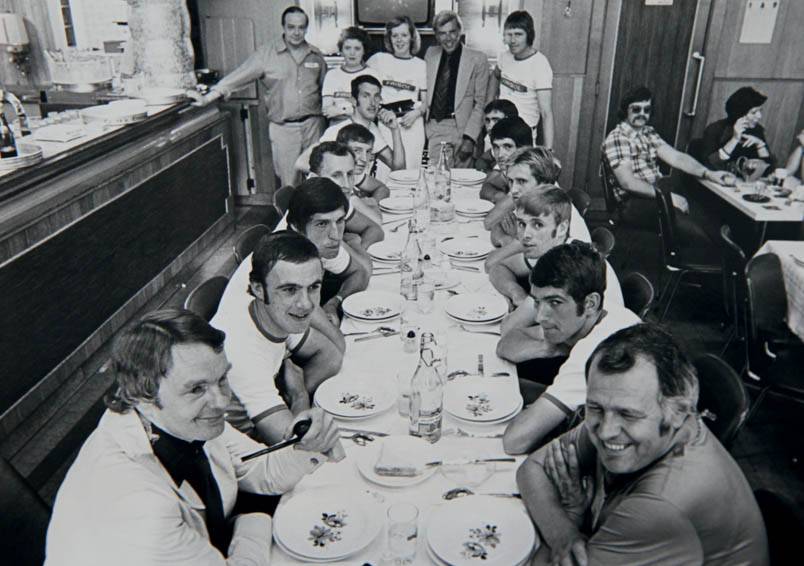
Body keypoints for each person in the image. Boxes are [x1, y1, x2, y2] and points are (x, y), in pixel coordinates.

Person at [45, 308, 343, 566]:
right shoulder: (141, 506)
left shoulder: (180, 420)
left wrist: (307, 444)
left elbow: (257, 470)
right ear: (143, 395)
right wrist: (255, 518)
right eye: (196, 389)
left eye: (222, 379)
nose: (222, 401)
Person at [517, 323, 769, 566]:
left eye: (629, 415)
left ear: (678, 411)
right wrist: (564, 533)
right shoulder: (625, 407)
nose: (605, 432)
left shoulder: (660, 505)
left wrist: (571, 519)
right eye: (595, 408)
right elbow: (532, 468)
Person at [499, 242, 641, 455]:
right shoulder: (599, 312)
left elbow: (515, 441)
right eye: (537, 302)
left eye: (554, 302)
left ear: (591, 303)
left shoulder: (597, 351)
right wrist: (553, 347)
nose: (540, 317)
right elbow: (506, 345)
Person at [210, 232, 344, 445]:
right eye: (290, 290)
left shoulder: (279, 314)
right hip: (245, 453)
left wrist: (290, 404)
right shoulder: (241, 349)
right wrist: (299, 395)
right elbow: (294, 445)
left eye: (313, 288)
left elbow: (331, 356)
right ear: (258, 289)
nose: (306, 304)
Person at [188, 7, 326, 187]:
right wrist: (209, 97)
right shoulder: (266, 55)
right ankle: (290, 215)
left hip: (314, 126)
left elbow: (326, 89)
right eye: (291, 27)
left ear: (306, 28)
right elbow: (237, 77)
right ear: (283, 27)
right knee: (289, 183)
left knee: (318, 179)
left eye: (301, 27)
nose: (296, 32)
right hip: (284, 129)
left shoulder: (316, 55)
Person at [602, 85, 736, 242]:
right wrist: (667, 198)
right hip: (631, 202)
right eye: (636, 109)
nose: (642, 114)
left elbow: (676, 158)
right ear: (625, 111)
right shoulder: (618, 138)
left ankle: (717, 255)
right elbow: (628, 183)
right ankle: (693, 259)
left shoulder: (647, 132)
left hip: (656, 191)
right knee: (695, 231)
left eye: (647, 110)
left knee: (706, 216)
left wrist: (709, 173)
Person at [486, 188, 623, 310]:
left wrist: (525, 307)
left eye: (538, 225)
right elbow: (498, 268)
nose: (526, 235)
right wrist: (516, 293)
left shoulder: (571, 262)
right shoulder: (546, 247)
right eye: (522, 224)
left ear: (562, 228)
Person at [286, 177, 372, 323]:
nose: (336, 235)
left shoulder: (317, 244)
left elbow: (360, 272)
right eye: (321, 224)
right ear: (297, 228)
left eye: (339, 221)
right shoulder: (285, 264)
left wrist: (334, 302)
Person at [295, 75, 405, 180]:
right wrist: (345, 178)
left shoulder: (372, 129)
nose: (372, 103)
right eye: (365, 96)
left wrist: (395, 129)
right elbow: (301, 163)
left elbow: (398, 168)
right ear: (353, 100)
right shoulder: (337, 130)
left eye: (376, 96)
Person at [280, 142, 385, 246]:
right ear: (314, 178)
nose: (347, 185)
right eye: (336, 175)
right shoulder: (308, 208)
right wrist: (354, 247)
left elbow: (375, 229)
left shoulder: (333, 200)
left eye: (349, 174)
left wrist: (359, 248)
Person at [485, 146, 591, 247]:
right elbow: (498, 227)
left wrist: (515, 241)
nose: (513, 190)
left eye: (521, 181)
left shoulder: (554, 216)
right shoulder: (532, 202)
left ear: (543, 183)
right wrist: (510, 241)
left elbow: (536, 263)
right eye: (511, 181)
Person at [424, 10, 489, 167]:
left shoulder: (478, 59)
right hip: (435, 127)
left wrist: (470, 138)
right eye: (443, 33)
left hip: (463, 128)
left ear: (460, 31)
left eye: (452, 32)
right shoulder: (430, 55)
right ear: (437, 36)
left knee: (463, 183)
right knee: (438, 180)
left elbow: (481, 103)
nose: (449, 38)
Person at [367, 15, 427, 168]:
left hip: (412, 125)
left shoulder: (421, 65)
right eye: (395, 35)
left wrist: (416, 113)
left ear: (412, 38)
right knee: (385, 171)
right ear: (389, 39)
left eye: (404, 35)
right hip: (386, 125)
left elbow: (426, 102)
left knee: (410, 171)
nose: (399, 40)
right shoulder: (378, 60)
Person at [489, 10, 555, 149]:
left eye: (518, 35)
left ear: (529, 35)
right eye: (509, 35)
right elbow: (495, 76)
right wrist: (490, 105)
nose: (513, 40)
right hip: (497, 129)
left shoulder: (540, 64)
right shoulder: (504, 56)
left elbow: (546, 112)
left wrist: (548, 151)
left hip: (521, 135)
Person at [700, 86, 774, 175]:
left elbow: (769, 172)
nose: (759, 116)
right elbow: (709, 168)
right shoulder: (715, 130)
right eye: (754, 112)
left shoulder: (757, 130)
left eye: (760, 111)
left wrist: (760, 145)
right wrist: (734, 139)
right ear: (740, 114)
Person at [322, 26, 384, 124]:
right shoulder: (332, 75)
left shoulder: (372, 75)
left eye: (357, 48)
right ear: (341, 51)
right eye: (347, 48)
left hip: (364, 129)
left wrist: (340, 111)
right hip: (336, 129)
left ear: (364, 50)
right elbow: (327, 111)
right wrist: (356, 110)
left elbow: (372, 109)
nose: (352, 53)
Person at [479, 115, 533, 204]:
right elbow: (487, 187)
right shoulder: (513, 168)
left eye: (507, 146)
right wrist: (500, 197)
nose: (500, 155)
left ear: (524, 148)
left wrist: (506, 203)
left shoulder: (532, 172)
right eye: (496, 147)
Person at [336, 123, 391, 208]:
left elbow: (382, 188)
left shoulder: (351, 171)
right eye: (357, 150)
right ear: (341, 149)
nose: (364, 159)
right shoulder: (331, 176)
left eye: (368, 151)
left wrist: (370, 203)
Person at [475, 99, 520, 172]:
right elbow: (481, 162)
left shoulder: (518, 141)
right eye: (487, 121)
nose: (490, 126)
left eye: (496, 120)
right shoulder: (491, 139)